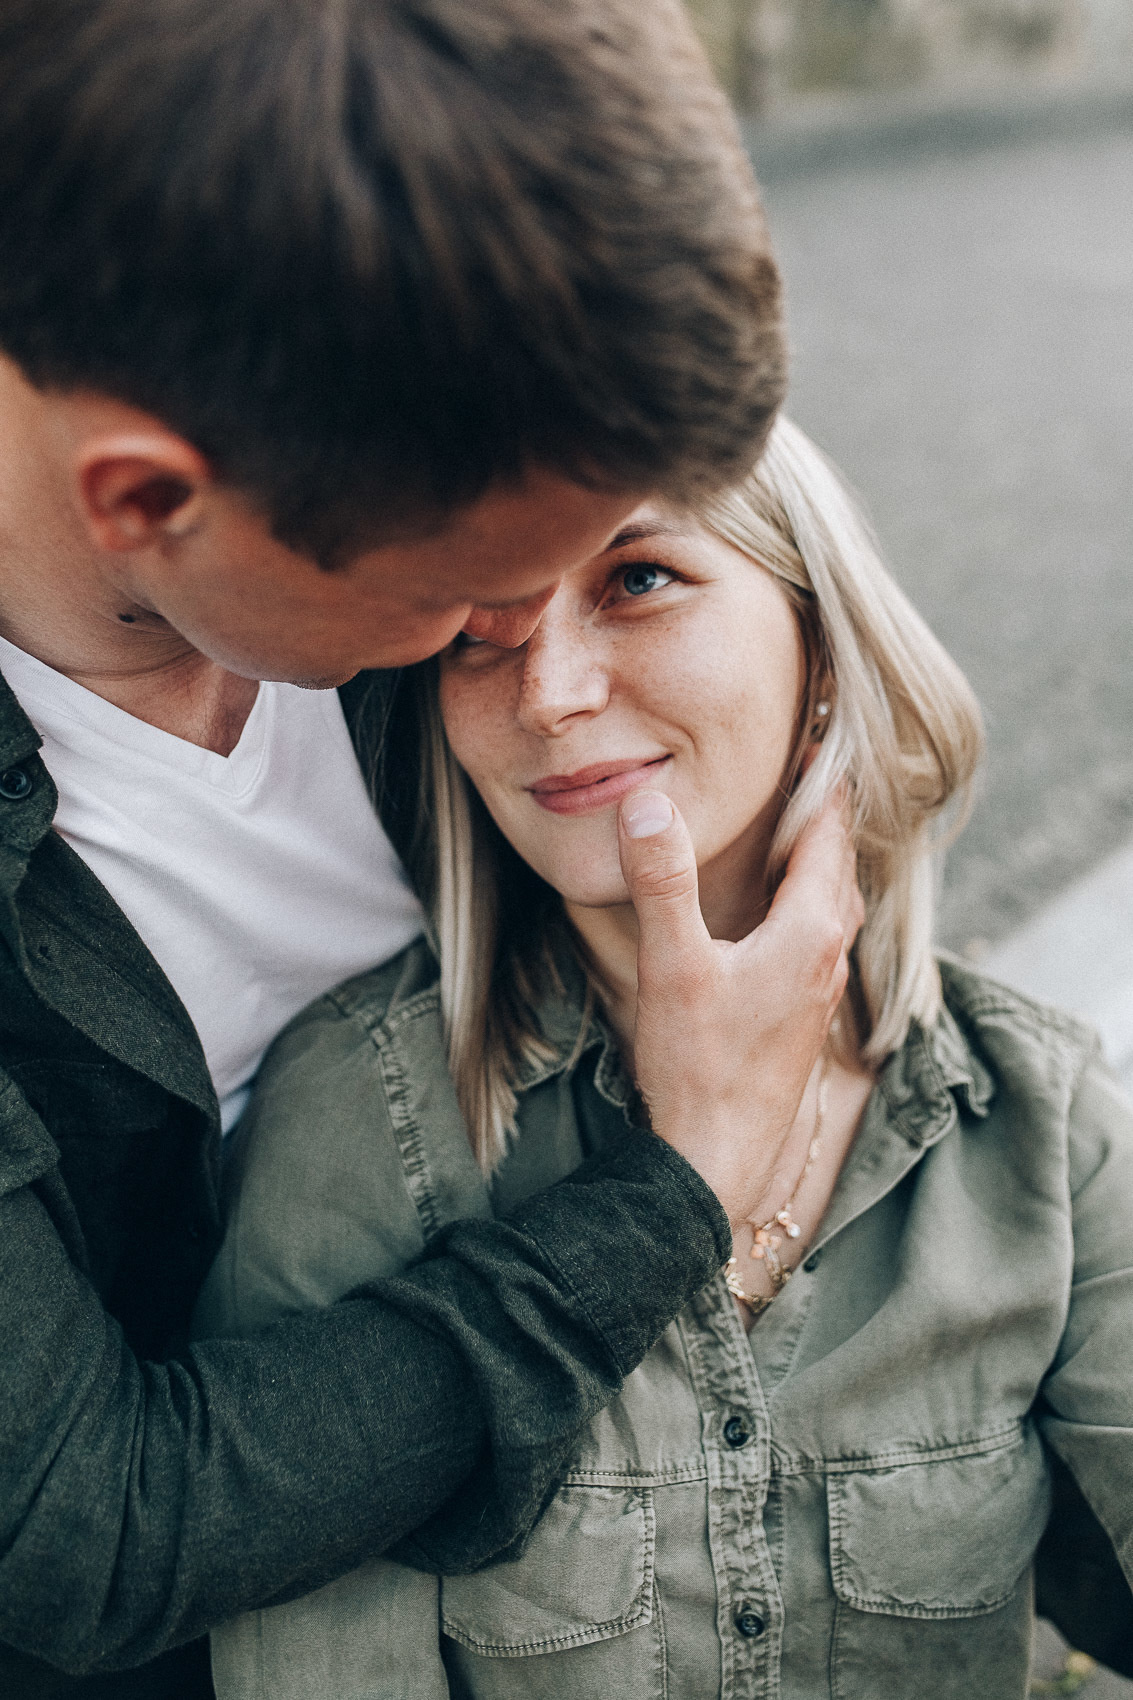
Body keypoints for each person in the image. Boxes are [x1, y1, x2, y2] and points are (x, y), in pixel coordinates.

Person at [0, 4, 868, 1697]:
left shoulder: (392, 443)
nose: (532, 665)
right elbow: (77, 1536)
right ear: (143, 498)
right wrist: (672, 1190)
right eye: (467, 594)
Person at [197, 417, 1133, 1700]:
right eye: (479, 628)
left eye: (635, 578)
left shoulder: (1042, 1122)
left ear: (821, 642)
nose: (546, 689)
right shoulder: (362, 1111)